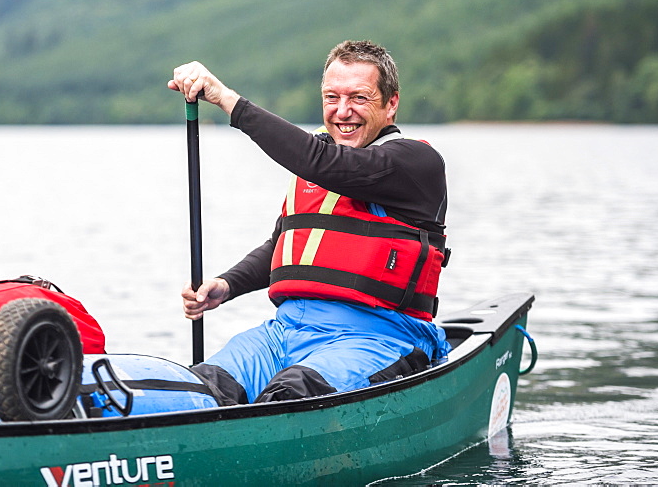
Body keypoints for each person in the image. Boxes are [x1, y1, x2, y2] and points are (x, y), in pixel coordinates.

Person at [168, 40, 451, 405]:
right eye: (332, 97)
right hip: (284, 332)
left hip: (378, 336)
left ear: (391, 102)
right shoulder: (316, 169)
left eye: (359, 98)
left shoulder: (415, 163)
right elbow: (283, 244)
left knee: (292, 393)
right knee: (203, 386)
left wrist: (226, 100)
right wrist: (226, 285)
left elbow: (323, 163)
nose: (342, 111)